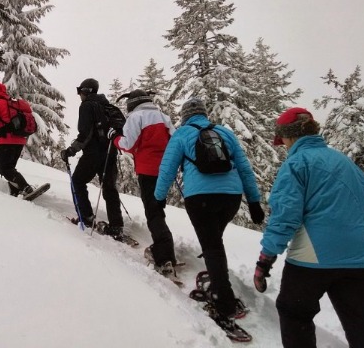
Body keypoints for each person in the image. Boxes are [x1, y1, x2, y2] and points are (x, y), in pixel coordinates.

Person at [254, 107, 364, 348]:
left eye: (282, 139)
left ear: (290, 136)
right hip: (362, 258)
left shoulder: (297, 163)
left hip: (314, 258)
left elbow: (285, 216)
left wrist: (266, 258)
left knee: (294, 312)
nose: (283, 145)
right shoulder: (348, 164)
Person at [154, 98, 265, 326]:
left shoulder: (182, 134)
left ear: (185, 116)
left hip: (200, 197)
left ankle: (223, 302)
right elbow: (244, 168)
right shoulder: (224, 132)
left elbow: (167, 168)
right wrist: (254, 201)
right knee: (214, 241)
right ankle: (218, 284)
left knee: (212, 245)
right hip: (230, 198)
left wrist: (158, 198)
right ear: (204, 114)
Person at [109, 89, 178, 275]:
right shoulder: (164, 117)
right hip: (165, 170)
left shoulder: (136, 117)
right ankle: (165, 250)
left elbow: (128, 144)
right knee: (158, 209)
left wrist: (114, 138)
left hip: (148, 171)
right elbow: (175, 142)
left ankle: (164, 255)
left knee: (153, 211)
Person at [60, 78, 124, 239]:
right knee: (109, 188)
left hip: (93, 153)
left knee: (78, 181)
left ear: (87, 91)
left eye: (80, 91)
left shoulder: (87, 105)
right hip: (110, 152)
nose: (79, 94)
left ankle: (86, 217)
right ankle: (116, 226)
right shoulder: (107, 106)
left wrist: (71, 150)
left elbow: (85, 133)